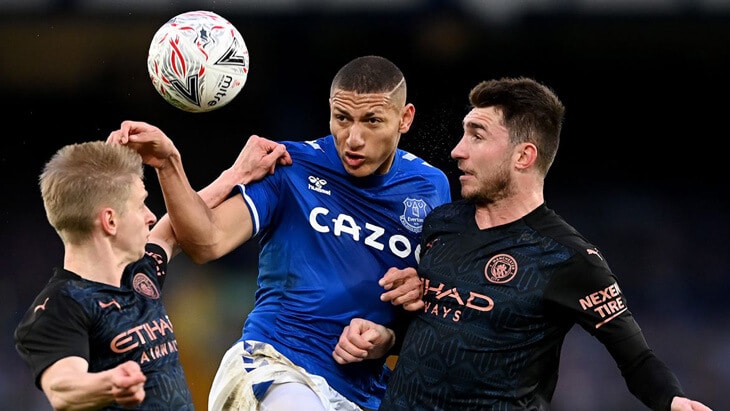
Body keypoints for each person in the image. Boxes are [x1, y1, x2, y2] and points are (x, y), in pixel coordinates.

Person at [338, 77, 712, 411]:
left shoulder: (568, 258)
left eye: (477, 136)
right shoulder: (442, 223)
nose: (457, 150)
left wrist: (672, 401)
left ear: (523, 156)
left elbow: (636, 360)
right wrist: (386, 337)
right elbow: (433, 325)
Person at [108, 55, 452, 411]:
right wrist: (168, 164)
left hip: (365, 391)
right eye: (342, 118)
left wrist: (390, 336)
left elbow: (441, 309)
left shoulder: (430, 188)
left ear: (405, 118)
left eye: (372, 121)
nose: (353, 139)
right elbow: (207, 241)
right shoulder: (291, 166)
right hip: (276, 364)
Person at [14, 136, 291, 410]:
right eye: (140, 206)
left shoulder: (140, 272)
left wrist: (238, 173)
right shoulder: (61, 305)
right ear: (110, 221)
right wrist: (110, 383)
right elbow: (63, 388)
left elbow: (171, 229)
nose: (150, 216)